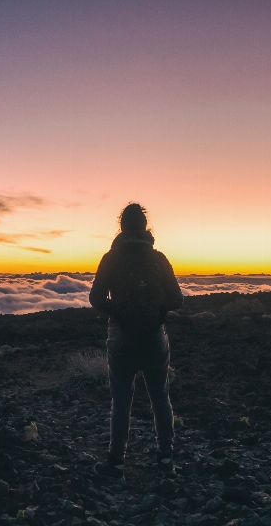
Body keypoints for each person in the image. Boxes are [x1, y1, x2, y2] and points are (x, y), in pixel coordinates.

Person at [89, 203, 183, 479]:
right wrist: (156, 313)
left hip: (121, 338)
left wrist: (118, 311)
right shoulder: (158, 259)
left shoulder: (111, 259)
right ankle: (166, 462)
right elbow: (177, 300)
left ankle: (116, 464)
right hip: (155, 337)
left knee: (121, 402)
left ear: (121, 227)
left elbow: (95, 299)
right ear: (145, 227)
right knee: (160, 398)